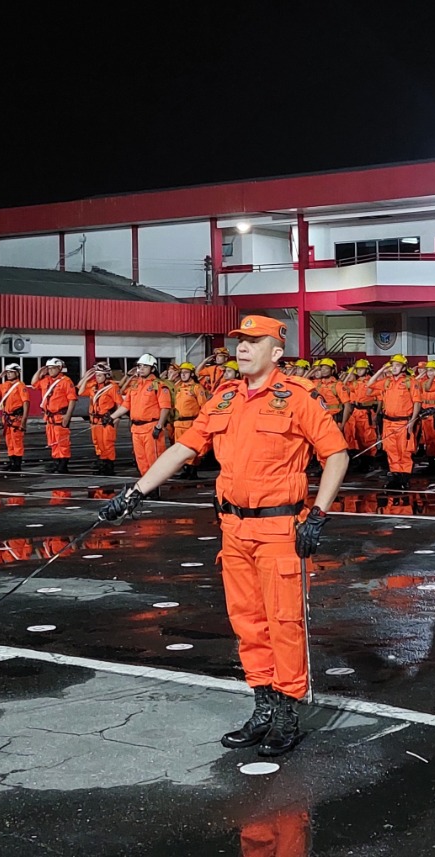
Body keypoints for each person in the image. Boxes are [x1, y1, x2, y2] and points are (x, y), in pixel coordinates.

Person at [98, 315, 348, 758]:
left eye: (254, 341)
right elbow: (183, 448)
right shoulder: (225, 397)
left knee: (283, 623)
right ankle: (263, 706)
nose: (243, 348)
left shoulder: (299, 398)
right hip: (232, 529)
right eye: (240, 341)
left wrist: (319, 514)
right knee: (247, 623)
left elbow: (336, 455)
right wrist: (135, 492)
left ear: (277, 351)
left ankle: (288, 710)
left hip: (278, 529)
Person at [369, 354, 420, 489]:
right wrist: (381, 370)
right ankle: (395, 476)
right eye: (393, 365)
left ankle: (404, 477)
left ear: (403, 367)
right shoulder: (387, 381)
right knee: (391, 450)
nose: (394, 368)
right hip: (388, 422)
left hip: (403, 422)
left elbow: (417, 403)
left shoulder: (411, 382)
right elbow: (369, 385)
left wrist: (412, 421)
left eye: (397, 365)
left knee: (404, 451)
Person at [119, 353, 173, 475]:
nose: (141, 369)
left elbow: (165, 407)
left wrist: (159, 426)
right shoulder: (135, 385)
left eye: (145, 366)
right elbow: (126, 405)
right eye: (140, 366)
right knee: (141, 461)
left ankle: (155, 490)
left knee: (153, 460)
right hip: (136, 429)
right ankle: (146, 489)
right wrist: (111, 417)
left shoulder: (158, 385)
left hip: (151, 428)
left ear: (153, 369)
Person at [33, 358, 77, 473]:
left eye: (53, 368)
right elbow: (33, 383)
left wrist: (68, 416)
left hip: (60, 416)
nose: (51, 371)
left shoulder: (66, 381)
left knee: (62, 442)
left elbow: (72, 400)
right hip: (49, 417)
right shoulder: (45, 380)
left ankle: (63, 465)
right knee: (53, 442)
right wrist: (40, 371)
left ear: (59, 368)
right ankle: (56, 462)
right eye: (49, 368)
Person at [171, 362, 209, 479]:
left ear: (192, 374)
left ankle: (192, 471)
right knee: (179, 448)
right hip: (178, 423)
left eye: (186, 372)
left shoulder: (196, 388)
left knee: (191, 448)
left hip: (191, 423)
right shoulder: (178, 388)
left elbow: (204, 406)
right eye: (181, 373)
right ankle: (185, 470)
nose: (183, 375)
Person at [86, 363, 123, 475]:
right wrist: (86, 377)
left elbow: (120, 404)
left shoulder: (112, 387)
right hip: (95, 421)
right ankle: (102, 464)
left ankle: (109, 466)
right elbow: (79, 390)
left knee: (108, 444)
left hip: (106, 420)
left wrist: (116, 418)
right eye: (96, 375)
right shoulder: (94, 387)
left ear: (107, 376)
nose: (97, 378)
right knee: (99, 443)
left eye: (100, 375)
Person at [0, 363, 29, 472]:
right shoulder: (5, 385)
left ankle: (17, 463)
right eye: (7, 372)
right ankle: (11, 462)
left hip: (17, 417)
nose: (8, 374)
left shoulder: (20, 386)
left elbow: (26, 402)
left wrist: (24, 420)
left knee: (17, 441)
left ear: (17, 373)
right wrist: (1, 375)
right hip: (7, 418)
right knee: (9, 441)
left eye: (11, 372)